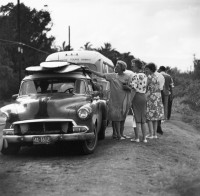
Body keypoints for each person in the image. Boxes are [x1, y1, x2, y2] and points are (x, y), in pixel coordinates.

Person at [88, 60, 132, 140]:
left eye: (117, 66)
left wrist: (127, 88)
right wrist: (90, 70)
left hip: (124, 100)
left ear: (122, 68)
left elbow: (131, 88)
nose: (115, 67)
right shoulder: (112, 76)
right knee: (117, 118)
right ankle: (118, 135)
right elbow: (101, 74)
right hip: (115, 101)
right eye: (116, 66)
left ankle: (121, 134)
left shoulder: (128, 77)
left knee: (123, 118)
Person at [130, 59, 148, 143]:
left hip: (136, 97)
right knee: (143, 119)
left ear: (137, 66)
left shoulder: (135, 76)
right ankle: (144, 138)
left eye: (133, 65)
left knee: (136, 118)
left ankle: (137, 138)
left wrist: (130, 100)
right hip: (143, 96)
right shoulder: (145, 76)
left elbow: (133, 89)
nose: (132, 67)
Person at [145, 63, 164, 139]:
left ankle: (150, 134)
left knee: (149, 117)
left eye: (147, 69)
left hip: (151, 98)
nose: (146, 70)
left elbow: (146, 87)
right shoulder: (157, 76)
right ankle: (154, 134)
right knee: (155, 118)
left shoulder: (149, 77)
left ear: (150, 69)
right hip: (157, 98)